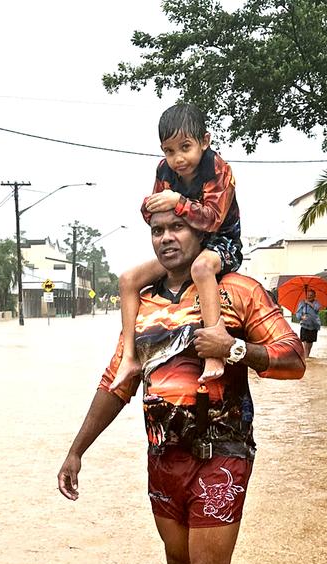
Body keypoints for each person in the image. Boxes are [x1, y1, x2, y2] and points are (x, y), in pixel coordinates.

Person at [57, 209, 306, 564]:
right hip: (163, 456)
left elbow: (293, 359)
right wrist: (77, 450)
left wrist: (234, 349)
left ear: (201, 232)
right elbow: (117, 382)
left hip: (222, 452)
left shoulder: (237, 290)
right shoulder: (142, 303)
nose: (167, 238)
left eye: (178, 228)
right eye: (158, 230)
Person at [111, 103, 242, 390]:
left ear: (204, 141)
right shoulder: (164, 171)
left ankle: (214, 348)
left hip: (221, 242)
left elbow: (212, 219)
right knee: (128, 279)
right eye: (169, 151)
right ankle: (130, 357)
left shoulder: (218, 169)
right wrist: (159, 205)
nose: (178, 158)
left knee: (202, 266)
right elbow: (152, 213)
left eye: (185, 147)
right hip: (185, 245)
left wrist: (177, 203)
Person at [293, 288, 322, 359]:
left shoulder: (316, 303)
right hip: (304, 325)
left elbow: (317, 308)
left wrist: (308, 303)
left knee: (310, 343)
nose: (309, 296)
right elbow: (298, 313)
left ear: (314, 296)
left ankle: (307, 356)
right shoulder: (302, 303)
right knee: (305, 343)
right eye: (308, 295)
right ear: (306, 295)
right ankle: (306, 358)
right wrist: (301, 317)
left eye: (311, 295)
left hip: (314, 326)